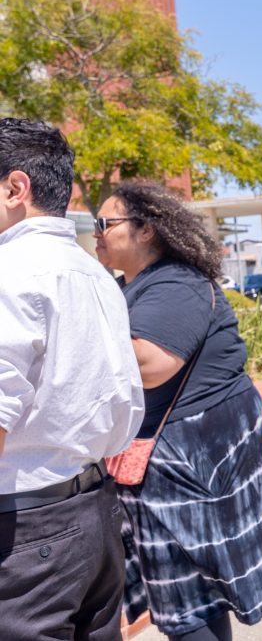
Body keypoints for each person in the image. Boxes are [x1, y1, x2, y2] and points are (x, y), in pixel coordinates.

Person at [92, 179, 262, 641]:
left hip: (189, 467)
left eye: (106, 223)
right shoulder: (137, 285)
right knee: (195, 603)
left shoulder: (176, 282)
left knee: (185, 609)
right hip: (186, 464)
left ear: (146, 231)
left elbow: (150, 363)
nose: (97, 233)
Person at [0, 117, 144, 640]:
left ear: (17, 188)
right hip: (94, 514)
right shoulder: (96, 276)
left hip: (26, 532)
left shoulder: (9, 271)